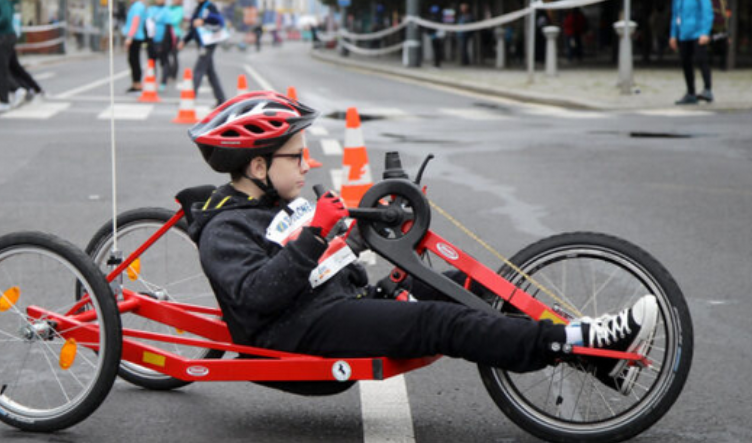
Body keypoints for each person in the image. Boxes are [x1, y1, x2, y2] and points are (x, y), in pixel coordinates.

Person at [185, 91, 660, 394]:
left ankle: (602, 366)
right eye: (297, 156)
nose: (307, 165)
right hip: (298, 334)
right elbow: (255, 297)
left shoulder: (274, 206)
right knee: (440, 321)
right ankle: (582, 340)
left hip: (341, 305)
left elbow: (325, 268)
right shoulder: (225, 229)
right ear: (259, 167)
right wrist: (313, 234)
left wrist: (365, 242)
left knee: (475, 283)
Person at [178, 0, 226, 106]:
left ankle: (189, 97)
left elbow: (219, 22)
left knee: (198, 70)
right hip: (202, 43)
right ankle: (221, 100)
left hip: (208, 44)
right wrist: (184, 41)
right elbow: (193, 29)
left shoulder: (209, 7)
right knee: (211, 73)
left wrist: (203, 22)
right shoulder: (198, 8)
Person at [670, 0, 714, 105]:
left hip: (698, 33)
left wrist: (705, 32)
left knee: (701, 60)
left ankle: (707, 89)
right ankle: (691, 93)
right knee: (685, 62)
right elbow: (675, 15)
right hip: (683, 34)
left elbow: (707, 12)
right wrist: (673, 35)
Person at [0, 0, 26, 112]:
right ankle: (16, 90)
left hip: (3, 37)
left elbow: (5, 17)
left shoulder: (2, 1)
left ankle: (5, 100)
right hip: (4, 36)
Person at [123, 0, 148, 93]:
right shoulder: (137, 6)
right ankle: (135, 83)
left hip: (135, 37)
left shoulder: (137, 6)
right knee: (133, 60)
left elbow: (135, 22)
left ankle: (137, 83)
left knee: (134, 60)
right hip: (135, 36)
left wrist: (130, 37)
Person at [162, 0, 184, 88]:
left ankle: (173, 74)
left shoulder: (180, 10)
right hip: (167, 35)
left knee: (174, 55)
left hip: (175, 35)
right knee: (166, 55)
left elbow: (174, 21)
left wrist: (167, 19)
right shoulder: (168, 8)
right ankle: (167, 73)